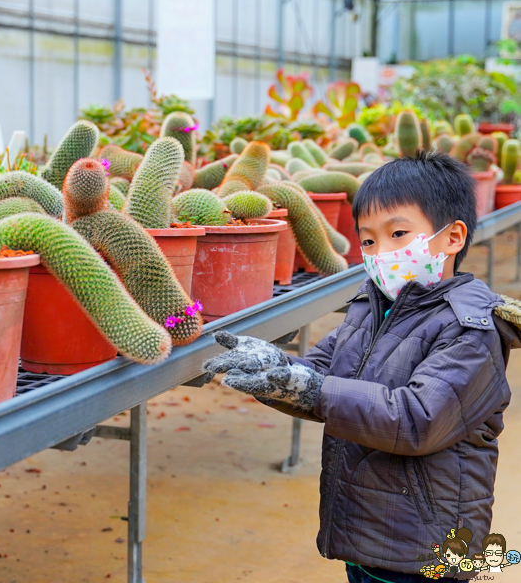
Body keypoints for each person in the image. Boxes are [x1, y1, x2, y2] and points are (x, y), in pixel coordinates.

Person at [203, 152, 519, 583]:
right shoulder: (370, 308)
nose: (380, 253)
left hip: (426, 552)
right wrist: (274, 372)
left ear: (453, 237)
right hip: (367, 537)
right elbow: (313, 374)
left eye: (398, 233)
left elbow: (417, 419)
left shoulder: (471, 330)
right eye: (368, 241)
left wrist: (311, 388)